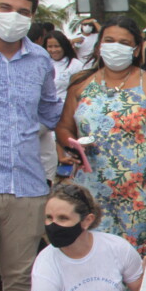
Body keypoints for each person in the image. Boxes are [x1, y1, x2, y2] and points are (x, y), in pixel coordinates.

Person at [56, 16, 146, 255]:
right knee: (95, 253)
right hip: (91, 190)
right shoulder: (81, 85)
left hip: (141, 194)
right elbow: (63, 127)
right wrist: (70, 145)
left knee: (136, 258)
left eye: (124, 43)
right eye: (109, 40)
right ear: (99, 46)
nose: (116, 47)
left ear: (136, 49)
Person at [0, 0, 63, 291]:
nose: (13, 17)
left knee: (19, 278)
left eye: (22, 11)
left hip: (27, 185)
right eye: (5, 8)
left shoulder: (39, 60)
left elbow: (50, 111)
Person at [40, 31, 86, 180]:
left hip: (69, 111)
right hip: (48, 113)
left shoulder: (75, 65)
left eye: (57, 46)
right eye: (50, 46)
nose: (53, 50)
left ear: (64, 46)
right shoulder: (42, 63)